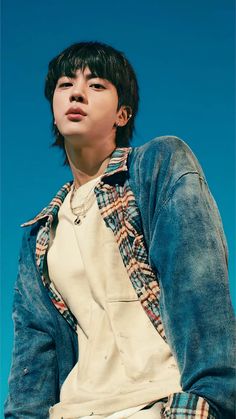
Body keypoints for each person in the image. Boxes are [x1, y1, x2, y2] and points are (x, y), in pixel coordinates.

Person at [4, 41, 235, 419]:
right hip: (75, 410)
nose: (77, 92)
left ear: (122, 114)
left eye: (96, 85)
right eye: (65, 85)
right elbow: (34, 350)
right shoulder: (39, 234)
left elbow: (199, 282)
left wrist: (212, 400)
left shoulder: (156, 168)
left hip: (160, 402)